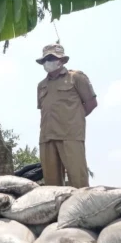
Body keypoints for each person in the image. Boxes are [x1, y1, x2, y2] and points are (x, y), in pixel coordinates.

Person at [36, 43, 97, 188]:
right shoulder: (41, 85)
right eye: (45, 59)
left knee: (78, 180)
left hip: (70, 136)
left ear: (61, 60)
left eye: (51, 58)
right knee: (51, 186)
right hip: (47, 137)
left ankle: (84, 209)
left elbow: (91, 103)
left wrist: (72, 120)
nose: (47, 62)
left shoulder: (76, 78)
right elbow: (44, 110)